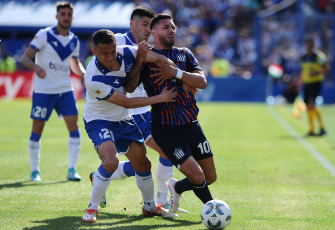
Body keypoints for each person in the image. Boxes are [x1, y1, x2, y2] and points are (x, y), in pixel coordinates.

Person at [89, 5, 187, 213]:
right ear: (132, 24)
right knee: (165, 151)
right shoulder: (117, 43)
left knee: (143, 162)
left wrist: (182, 76)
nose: (148, 30)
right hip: (132, 110)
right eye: (144, 24)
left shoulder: (144, 47)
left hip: (143, 108)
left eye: (151, 26)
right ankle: (161, 200)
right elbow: (124, 92)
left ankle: (99, 177)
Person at [125, 13, 217, 213]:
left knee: (210, 177)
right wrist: (139, 61)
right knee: (197, 175)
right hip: (166, 129)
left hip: (192, 124)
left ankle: (176, 187)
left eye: (173, 27)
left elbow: (202, 82)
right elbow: (130, 87)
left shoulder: (185, 54)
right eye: (165, 27)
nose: (171, 30)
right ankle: (212, 209)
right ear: (153, 32)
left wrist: (175, 73)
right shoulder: (147, 60)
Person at [21, 1, 85, 182]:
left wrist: (83, 73)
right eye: (63, 14)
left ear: (72, 17)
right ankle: (35, 172)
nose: (66, 17)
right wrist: (36, 67)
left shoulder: (74, 40)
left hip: (65, 90)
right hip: (44, 91)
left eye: (69, 14)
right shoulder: (44, 35)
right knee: (37, 130)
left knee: (74, 127)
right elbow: (26, 58)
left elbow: (74, 62)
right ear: (57, 16)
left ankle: (72, 170)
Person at [300, 35, 328, 136]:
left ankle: (322, 128)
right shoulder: (303, 57)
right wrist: (300, 82)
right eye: (307, 43)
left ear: (314, 44)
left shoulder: (319, 56)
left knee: (312, 104)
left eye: (311, 43)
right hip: (307, 83)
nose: (309, 45)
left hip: (316, 83)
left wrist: (316, 72)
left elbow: (326, 69)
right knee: (308, 106)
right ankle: (312, 130)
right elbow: (303, 71)